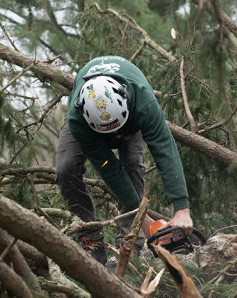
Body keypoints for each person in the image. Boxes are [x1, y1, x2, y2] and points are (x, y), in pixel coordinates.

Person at [56, 55, 193, 264]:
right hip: (90, 126)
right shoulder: (78, 119)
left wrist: (181, 209)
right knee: (65, 170)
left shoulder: (142, 101)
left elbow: (165, 149)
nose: (115, 134)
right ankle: (90, 241)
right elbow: (109, 169)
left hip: (130, 117)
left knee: (131, 164)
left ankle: (129, 244)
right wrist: (144, 219)